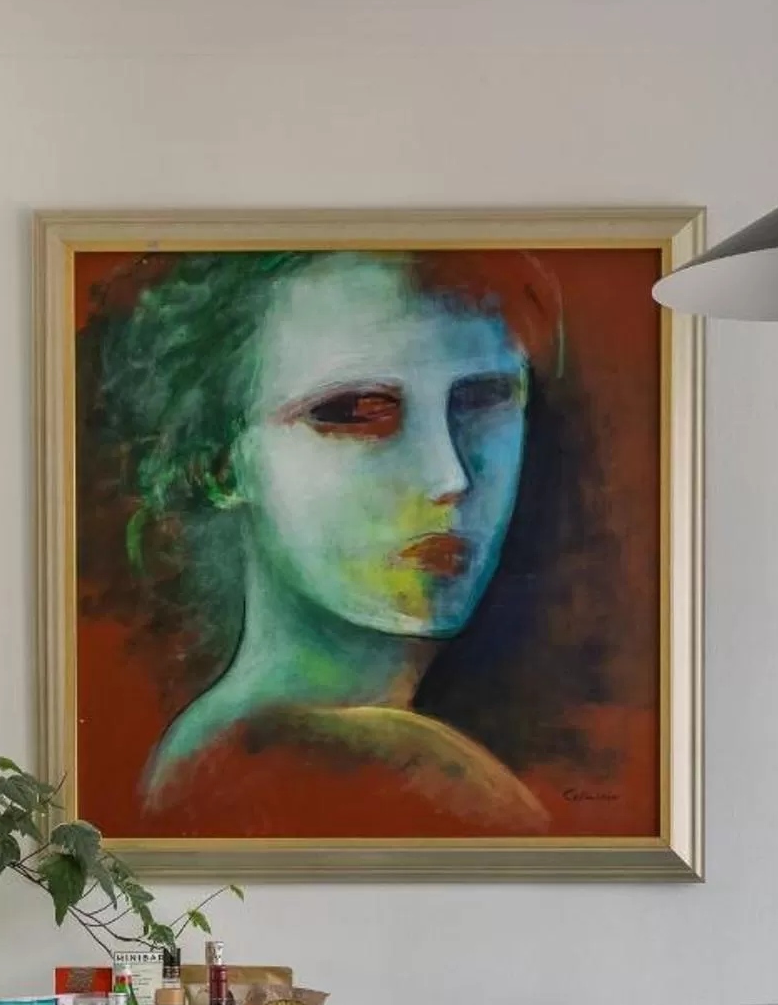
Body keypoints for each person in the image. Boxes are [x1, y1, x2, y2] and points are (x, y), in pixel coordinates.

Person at [101, 250, 562, 834]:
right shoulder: (352, 769)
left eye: (484, 399)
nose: (449, 478)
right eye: (353, 413)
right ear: (217, 463)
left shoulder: (208, 749)